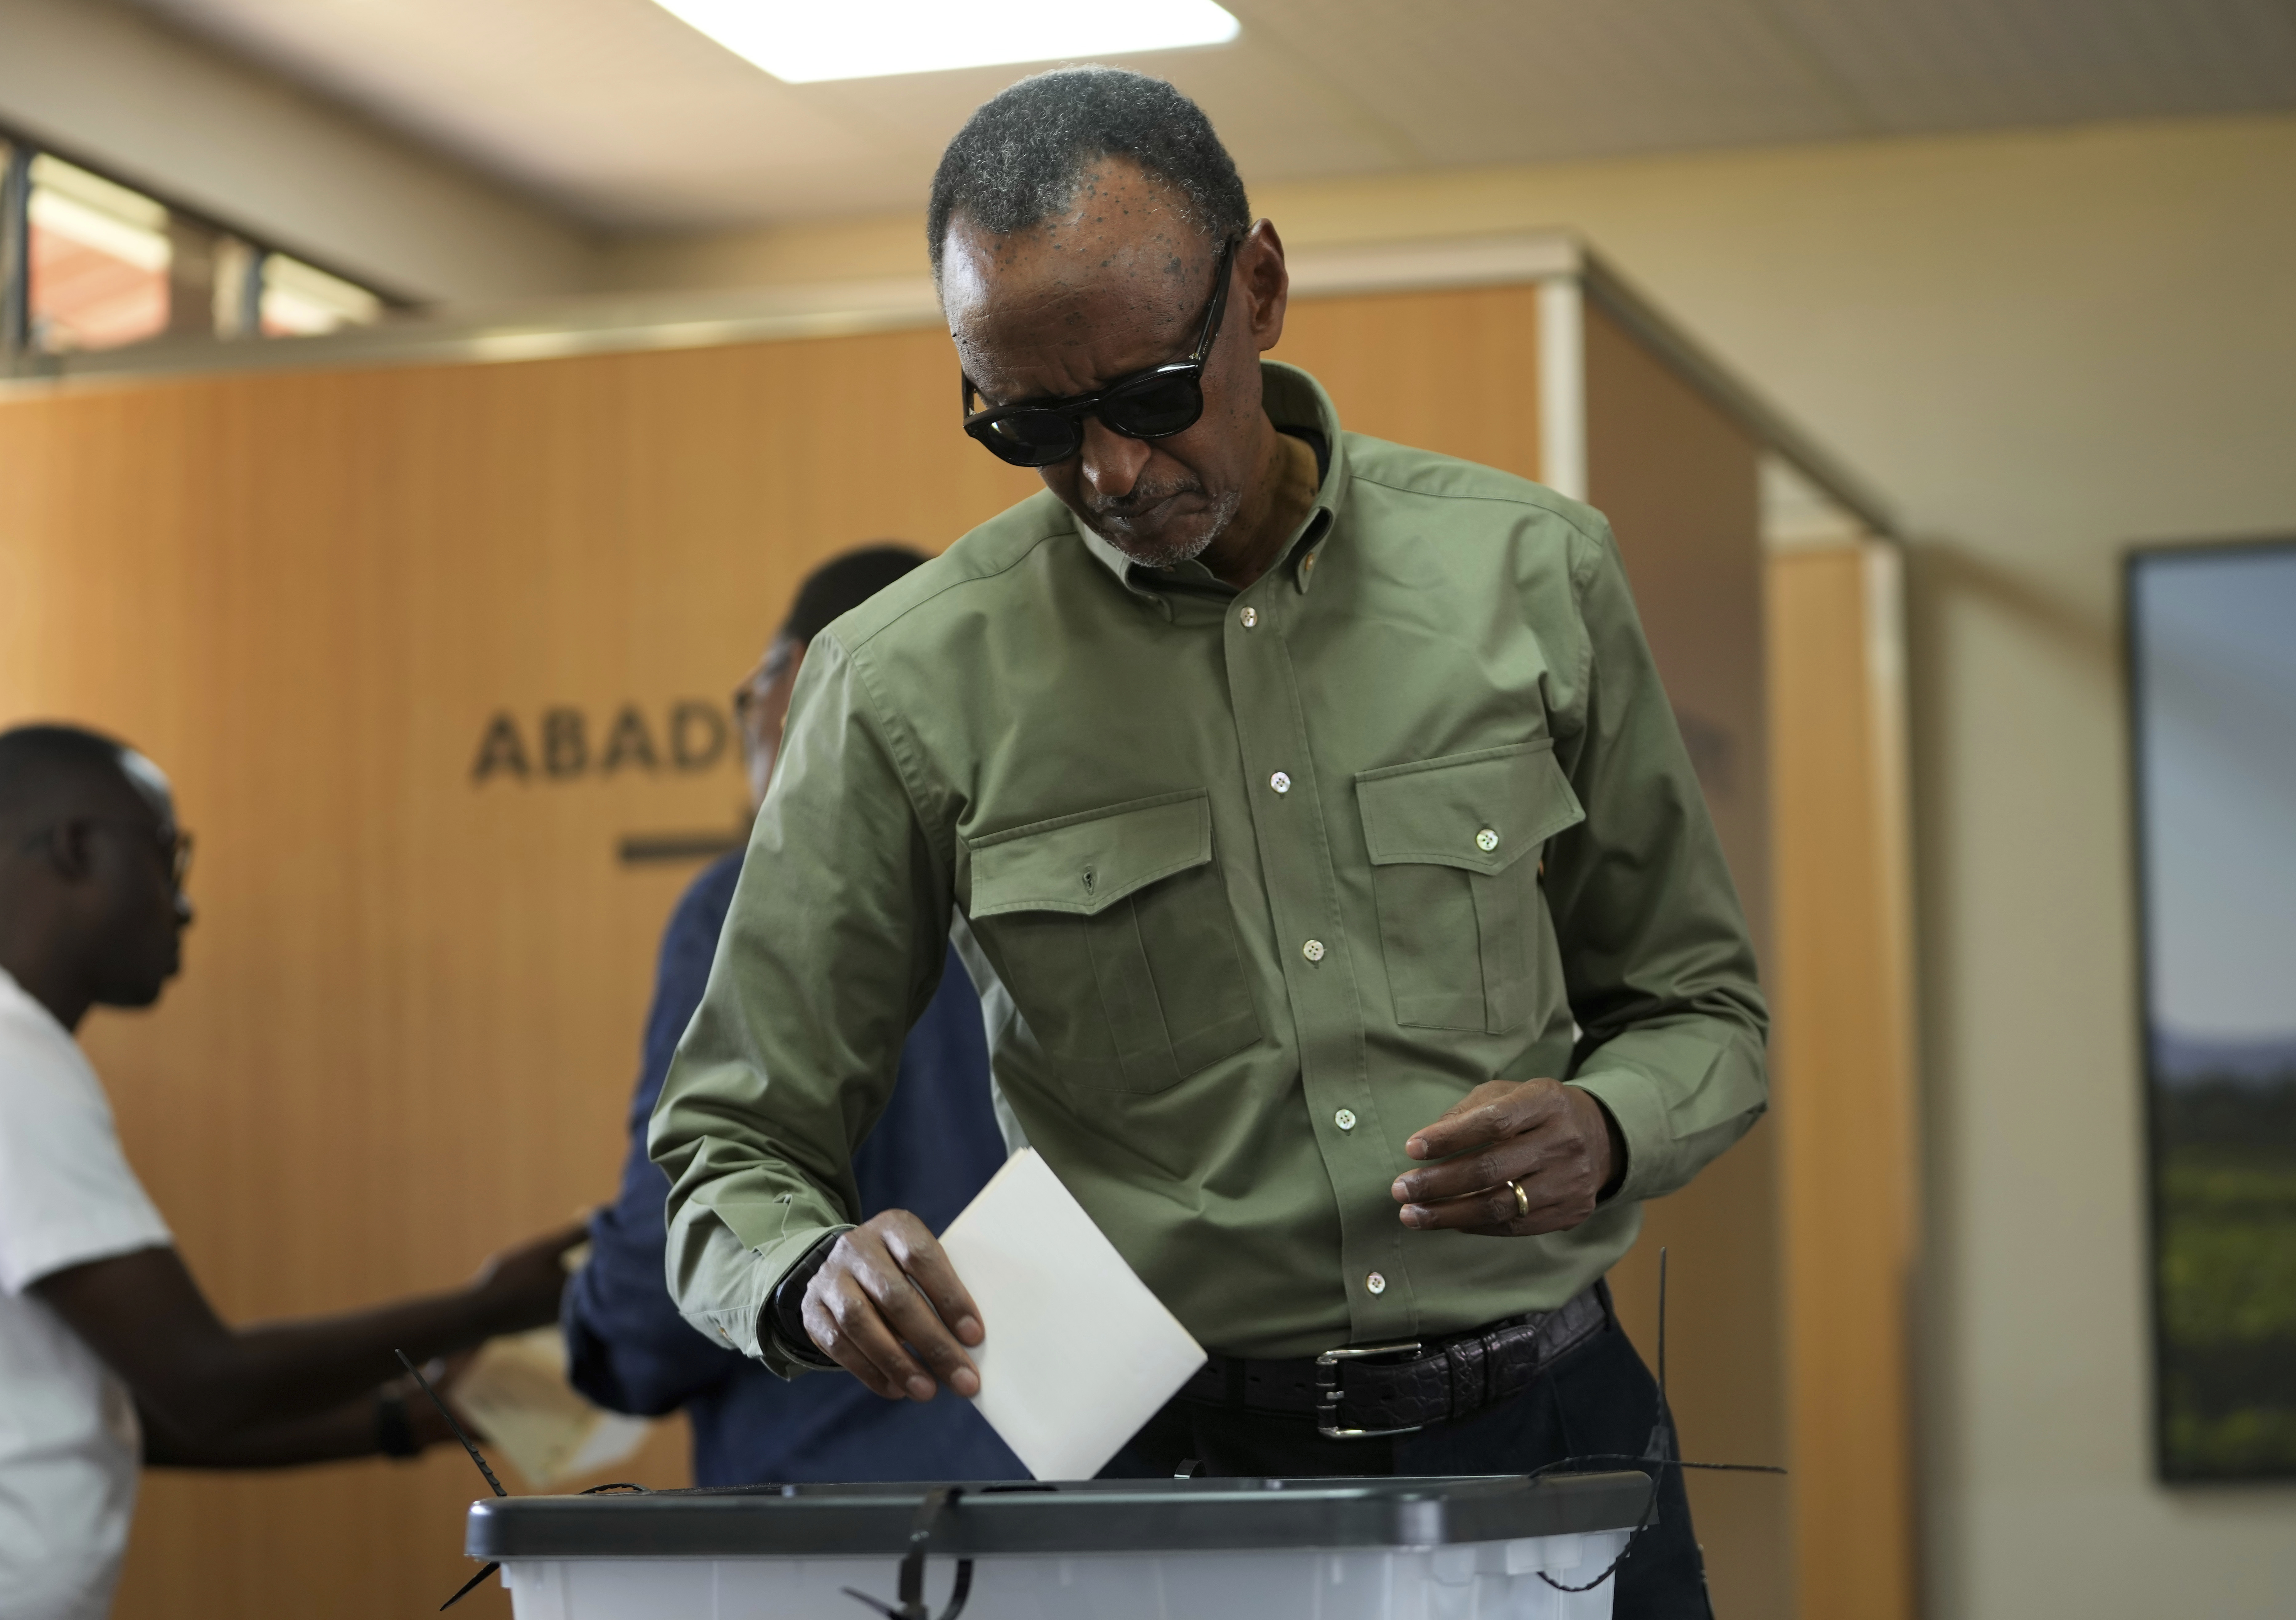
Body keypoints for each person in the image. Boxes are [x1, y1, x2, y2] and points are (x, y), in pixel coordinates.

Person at [652, 68, 1767, 1614]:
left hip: (1553, 1441)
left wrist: (1610, 1125)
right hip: (1168, 1482)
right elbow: (729, 1145)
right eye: (1030, 425)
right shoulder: (904, 680)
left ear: (1259, 289)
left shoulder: (1534, 575)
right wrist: (802, 1272)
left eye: (1149, 396)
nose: (1108, 473)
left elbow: (1704, 1011)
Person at [0, 723, 579, 1620]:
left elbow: (125, 1408)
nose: (185, 906)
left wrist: (413, 1416)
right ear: (77, 848)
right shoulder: (14, 1062)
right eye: (168, 857)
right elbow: (204, 1381)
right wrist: (492, 1305)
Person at [564, 548, 1019, 1484]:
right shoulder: (1050, 893)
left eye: (754, 689)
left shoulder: (740, 904)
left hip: (828, 1515)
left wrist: (586, 1316)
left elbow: (665, 1283)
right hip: (1091, 1493)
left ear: (809, 678)